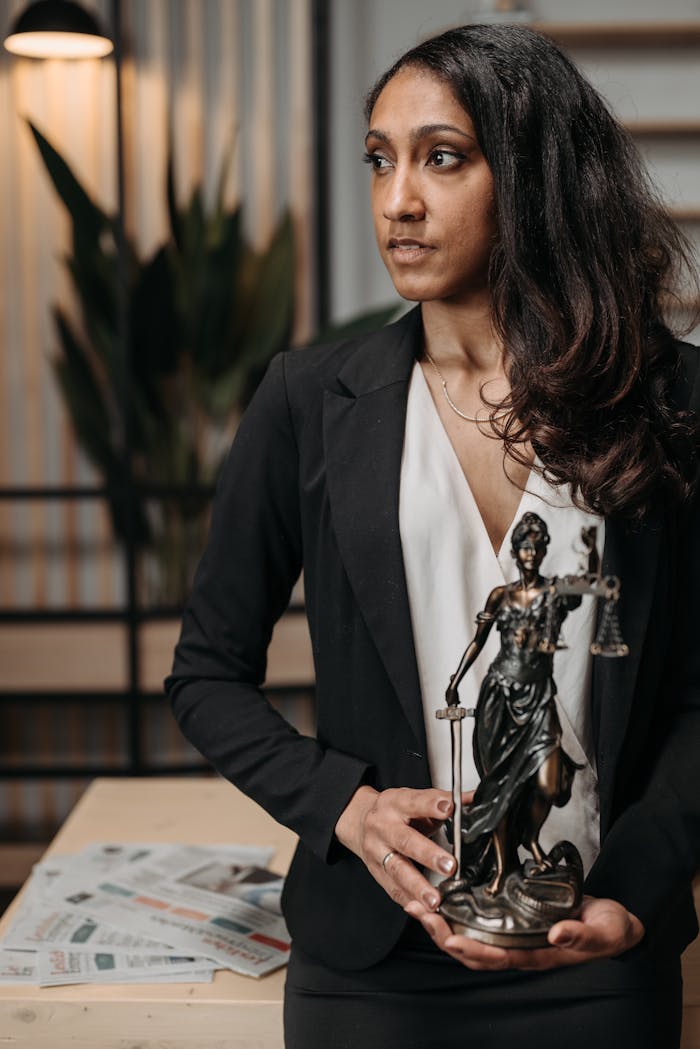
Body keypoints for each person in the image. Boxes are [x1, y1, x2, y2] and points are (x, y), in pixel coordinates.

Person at [166, 23, 700, 1049]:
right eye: (380, 158)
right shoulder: (308, 400)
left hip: (594, 945)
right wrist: (346, 808)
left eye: (441, 157)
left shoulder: (673, 396)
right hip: (370, 962)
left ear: (533, 176)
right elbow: (205, 673)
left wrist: (636, 888)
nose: (397, 200)